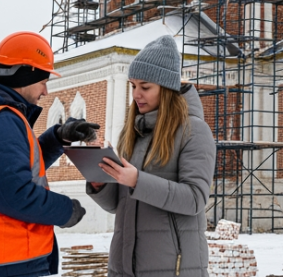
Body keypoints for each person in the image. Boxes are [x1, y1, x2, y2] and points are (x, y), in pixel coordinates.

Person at [0, 31, 101, 277]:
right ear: (25, 75)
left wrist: (58, 136)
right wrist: (66, 210)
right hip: (1, 260)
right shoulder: (0, 121)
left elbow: (10, 172)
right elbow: (13, 194)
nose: (45, 91)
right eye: (43, 81)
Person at [87, 35, 216, 277]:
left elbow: (195, 199)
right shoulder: (134, 130)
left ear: (166, 88)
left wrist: (137, 180)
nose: (137, 94)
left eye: (145, 87)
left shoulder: (194, 130)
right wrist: (100, 182)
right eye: (133, 86)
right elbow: (119, 205)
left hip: (173, 268)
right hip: (125, 266)